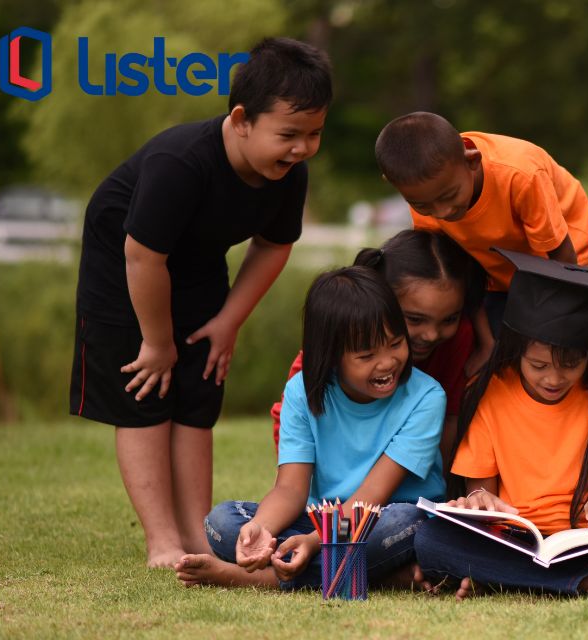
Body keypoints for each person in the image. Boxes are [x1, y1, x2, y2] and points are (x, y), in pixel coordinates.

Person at [68, 37, 332, 568]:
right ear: (241, 120)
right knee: (146, 390)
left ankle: (196, 534)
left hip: (196, 264)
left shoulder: (288, 175)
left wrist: (228, 322)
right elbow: (142, 257)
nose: (301, 148)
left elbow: (274, 246)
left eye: (314, 134)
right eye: (288, 135)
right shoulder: (181, 162)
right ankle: (161, 540)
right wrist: (157, 342)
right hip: (126, 268)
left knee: (198, 390)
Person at [414, 249, 588, 599]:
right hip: (516, 541)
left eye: (571, 364)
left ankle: (504, 579)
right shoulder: (490, 391)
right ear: (518, 350)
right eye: (538, 365)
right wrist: (478, 502)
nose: (553, 378)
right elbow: (480, 492)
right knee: (431, 541)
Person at [174, 266, 446, 590]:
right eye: (367, 354)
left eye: (396, 343)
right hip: (320, 522)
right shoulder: (301, 392)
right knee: (224, 522)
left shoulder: (426, 397)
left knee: (405, 522)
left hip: (378, 519)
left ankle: (260, 579)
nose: (387, 362)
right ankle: (376, 575)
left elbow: (372, 498)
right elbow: (290, 490)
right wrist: (260, 529)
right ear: (331, 357)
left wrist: (314, 543)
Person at [374, 111, 588, 372]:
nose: (442, 212)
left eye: (450, 196)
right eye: (422, 206)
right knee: (500, 360)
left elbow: (562, 257)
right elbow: (460, 274)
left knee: (549, 355)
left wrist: (555, 326)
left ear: (472, 161)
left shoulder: (520, 175)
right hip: (497, 266)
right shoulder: (425, 191)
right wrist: (486, 344)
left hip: (565, 261)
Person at [270, 230, 485, 477]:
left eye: (450, 319)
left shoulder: (457, 340)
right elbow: (294, 417)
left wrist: (448, 492)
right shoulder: (334, 345)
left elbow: (450, 419)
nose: (431, 335)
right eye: (415, 319)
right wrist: (300, 489)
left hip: (406, 483)